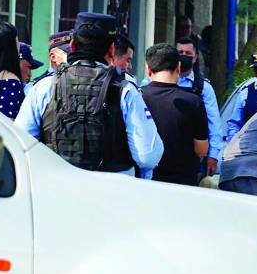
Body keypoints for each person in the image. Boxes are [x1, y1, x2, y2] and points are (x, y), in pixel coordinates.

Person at [15, 12, 163, 177]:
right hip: (112, 193)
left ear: (72, 45)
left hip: (55, 189)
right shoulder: (126, 90)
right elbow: (148, 156)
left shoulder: (43, 87)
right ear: (112, 50)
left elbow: (21, 144)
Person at [140, 43, 209, 186]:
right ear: (178, 67)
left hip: (142, 181)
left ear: (148, 69)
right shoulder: (193, 102)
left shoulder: (136, 97)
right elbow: (201, 149)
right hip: (182, 184)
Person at [170, 36, 223, 176]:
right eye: (180, 53)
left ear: (195, 58)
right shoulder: (162, 81)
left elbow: (214, 123)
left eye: (188, 54)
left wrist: (213, 156)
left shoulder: (204, 87)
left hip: (195, 156)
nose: (183, 57)